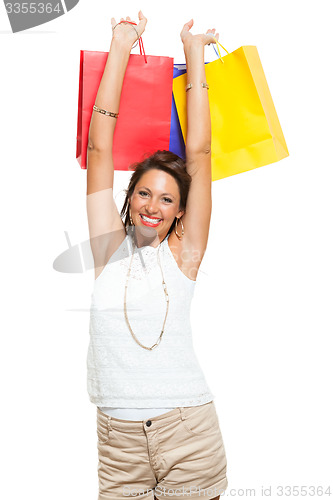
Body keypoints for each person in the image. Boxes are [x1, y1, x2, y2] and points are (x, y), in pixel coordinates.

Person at [86, 11, 228, 500]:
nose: (153, 206)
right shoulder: (108, 246)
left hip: (188, 433)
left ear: (180, 211)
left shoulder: (185, 254)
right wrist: (122, 45)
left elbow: (202, 153)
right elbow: (98, 148)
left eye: (167, 199)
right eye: (144, 194)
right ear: (131, 197)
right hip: (118, 444)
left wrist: (193, 55)